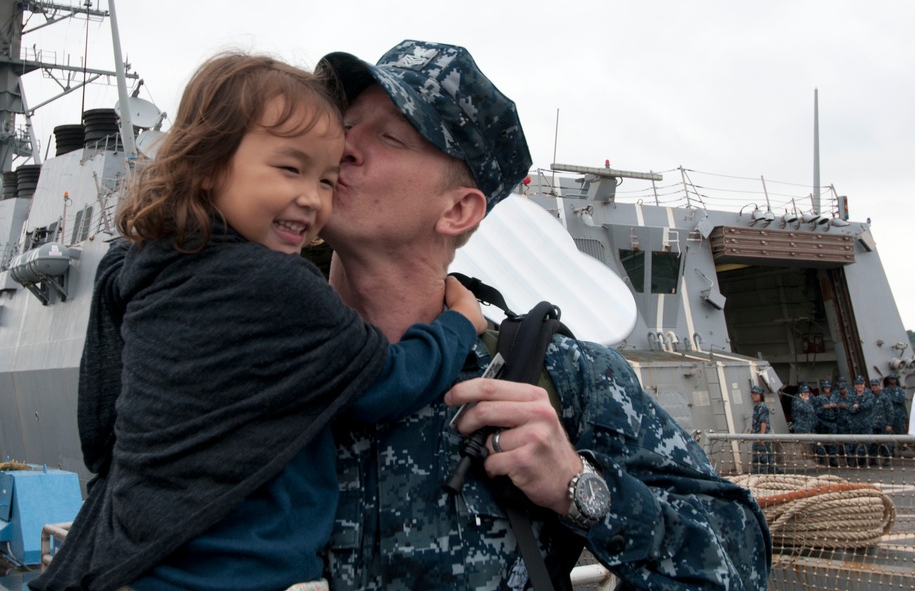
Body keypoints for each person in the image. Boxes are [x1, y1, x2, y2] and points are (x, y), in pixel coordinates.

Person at [315, 40, 771, 590]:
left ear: (458, 209)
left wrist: (578, 488)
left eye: (388, 136)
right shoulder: (250, 360)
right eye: (343, 123)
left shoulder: (561, 379)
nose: (343, 146)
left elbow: (740, 564)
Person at [30, 53, 488, 591]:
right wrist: (460, 323)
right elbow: (387, 382)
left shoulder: (135, 265)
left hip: (128, 555)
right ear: (207, 165)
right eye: (291, 169)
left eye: (325, 177)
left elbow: (101, 432)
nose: (314, 196)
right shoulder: (277, 286)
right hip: (224, 573)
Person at [750, 385, 782, 474]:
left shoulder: (762, 407)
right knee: (768, 457)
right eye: (753, 394)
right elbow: (758, 422)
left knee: (760, 457)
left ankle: (761, 475)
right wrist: (752, 431)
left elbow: (763, 422)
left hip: (761, 436)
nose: (754, 396)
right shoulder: (757, 407)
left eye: (756, 394)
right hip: (758, 434)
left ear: (761, 395)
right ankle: (777, 472)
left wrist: (762, 436)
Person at [812, 379, 840, 466]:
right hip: (823, 422)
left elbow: (838, 411)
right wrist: (824, 407)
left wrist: (835, 407)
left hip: (832, 422)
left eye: (828, 387)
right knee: (821, 441)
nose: (827, 389)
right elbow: (816, 410)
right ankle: (822, 458)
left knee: (832, 442)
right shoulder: (819, 398)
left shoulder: (834, 397)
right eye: (825, 387)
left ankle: (833, 459)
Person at [869, 378, 894, 466]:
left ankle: (887, 459)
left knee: (885, 442)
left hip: (883, 424)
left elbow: (889, 411)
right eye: (873, 385)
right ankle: (873, 459)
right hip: (872, 424)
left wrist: (889, 424)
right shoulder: (869, 397)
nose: (874, 387)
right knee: (873, 443)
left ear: (879, 386)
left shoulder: (884, 397)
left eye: (876, 385)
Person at [791, 383, 816, 465]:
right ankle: (805, 463)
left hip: (809, 427)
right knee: (804, 446)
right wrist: (805, 401)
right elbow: (807, 409)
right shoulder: (797, 400)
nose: (806, 394)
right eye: (804, 392)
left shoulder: (807, 400)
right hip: (801, 427)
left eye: (807, 392)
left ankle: (809, 460)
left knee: (809, 446)